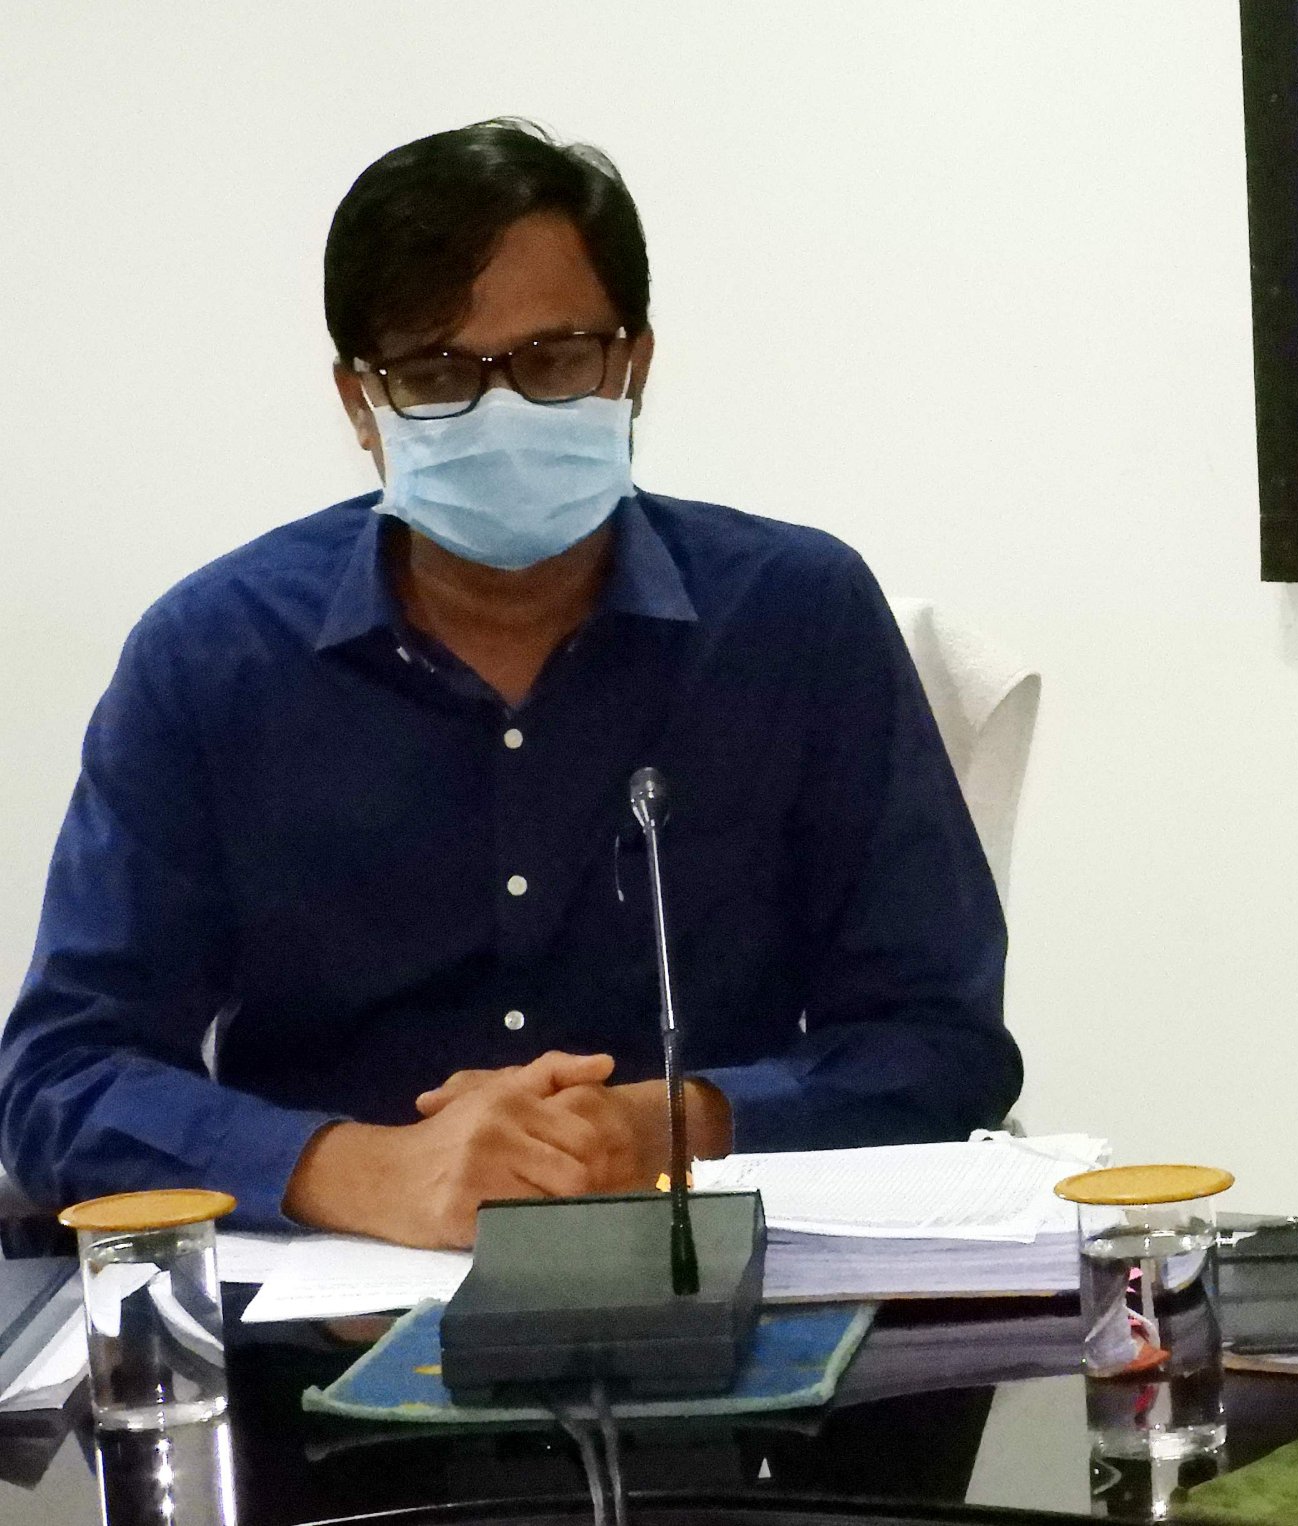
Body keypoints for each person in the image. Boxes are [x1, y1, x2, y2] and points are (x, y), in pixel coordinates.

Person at [0, 120, 1016, 1249]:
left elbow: (943, 1044)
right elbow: (60, 1075)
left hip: (714, 1282)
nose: (502, 412)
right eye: (436, 375)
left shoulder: (797, 618)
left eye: (553, 360)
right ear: (358, 402)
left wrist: (670, 1126)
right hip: (326, 1300)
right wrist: (354, 1168)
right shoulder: (213, 656)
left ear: (632, 366)